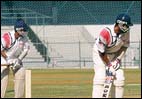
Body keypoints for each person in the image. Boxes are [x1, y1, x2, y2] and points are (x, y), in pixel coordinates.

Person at [92, 13, 133, 98]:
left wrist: (118, 60)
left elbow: (124, 47)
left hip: (114, 55)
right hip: (100, 55)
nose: (128, 28)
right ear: (120, 24)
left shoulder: (126, 32)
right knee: (100, 77)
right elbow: (101, 52)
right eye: (126, 25)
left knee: (119, 78)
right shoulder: (105, 33)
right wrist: (109, 65)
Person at [1, 19, 30, 98]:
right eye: (23, 29)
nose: (25, 31)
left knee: (21, 72)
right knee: (4, 77)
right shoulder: (7, 36)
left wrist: (19, 60)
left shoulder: (24, 38)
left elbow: (26, 50)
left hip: (16, 59)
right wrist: (7, 59)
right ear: (18, 30)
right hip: (4, 58)